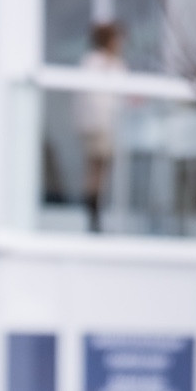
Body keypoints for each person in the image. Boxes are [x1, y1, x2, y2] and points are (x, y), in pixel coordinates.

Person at [76, 21, 125, 232]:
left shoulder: (112, 63)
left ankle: (95, 213)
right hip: (98, 124)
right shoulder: (95, 63)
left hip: (104, 124)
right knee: (97, 168)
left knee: (100, 168)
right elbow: (95, 98)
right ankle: (93, 215)